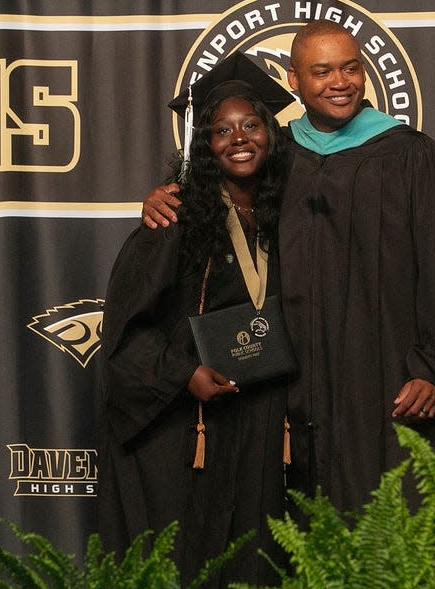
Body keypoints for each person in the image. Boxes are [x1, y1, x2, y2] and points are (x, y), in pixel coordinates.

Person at [143, 21, 435, 517]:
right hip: (296, 391)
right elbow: (220, 205)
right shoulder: (281, 156)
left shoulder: (412, 157)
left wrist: (434, 369)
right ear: (294, 79)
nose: (340, 82)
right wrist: (165, 197)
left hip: (388, 382)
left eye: (351, 68)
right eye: (322, 71)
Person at [98, 54, 295, 587]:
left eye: (251, 125)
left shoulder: (291, 214)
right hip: (190, 428)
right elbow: (124, 331)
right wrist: (182, 374)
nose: (239, 138)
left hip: (263, 420)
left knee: (259, 560)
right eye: (221, 130)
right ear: (204, 147)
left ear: (270, 134)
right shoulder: (173, 219)